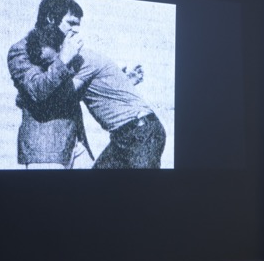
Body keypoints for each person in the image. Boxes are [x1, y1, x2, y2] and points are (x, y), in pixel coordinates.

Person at [27, 27, 166, 169]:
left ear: (63, 47)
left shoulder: (82, 60)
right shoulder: (76, 64)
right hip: (125, 135)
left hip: (141, 133)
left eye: (54, 61)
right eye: (47, 64)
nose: (55, 66)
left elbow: (61, 98)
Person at [7, 0, 91, 169]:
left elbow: (72, 91)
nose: (76, 30)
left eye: (78, 25)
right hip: (45, 149)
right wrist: (63, 60)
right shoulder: (20, 50)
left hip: (76, 143)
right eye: (71, 23)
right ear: (51, 18)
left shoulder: (64, 49)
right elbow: (37, 89)